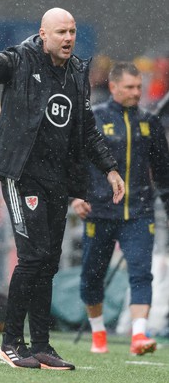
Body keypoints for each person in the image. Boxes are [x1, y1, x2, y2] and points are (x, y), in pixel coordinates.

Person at [0, 7, 124, 370]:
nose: (68, 38)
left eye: (72, 31)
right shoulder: (22, 58)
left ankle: (41, 346)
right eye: (61, 32)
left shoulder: (77, 72)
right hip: (20, 172)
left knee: (49, 263)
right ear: (43, 34)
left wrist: (110, 169)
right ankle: (10, 343)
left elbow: (85, 128)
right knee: (34, 257)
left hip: (57, 178)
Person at [72, 61, 169, 356]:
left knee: (141, 273)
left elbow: (163, 172)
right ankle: (98, 332)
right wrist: (75, 197)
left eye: (139, 87)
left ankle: (139, 335)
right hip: (99, 211)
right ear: (113, 87)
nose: (135, 93)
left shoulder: (149, 122)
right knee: (91, 276)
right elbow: (75, 161)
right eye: (129, 87)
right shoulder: (94, 119)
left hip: (139, 212)